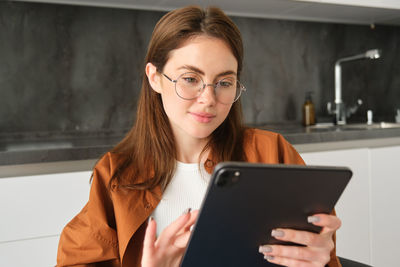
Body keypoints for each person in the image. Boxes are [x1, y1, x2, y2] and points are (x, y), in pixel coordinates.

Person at [57, 5, 342, 267]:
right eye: (190, 79)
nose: (208, 99)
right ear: (155, 77)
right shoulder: (115, 175)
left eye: (224, 82)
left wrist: (320, 260)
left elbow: (320, 255)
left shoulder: (273, 152)